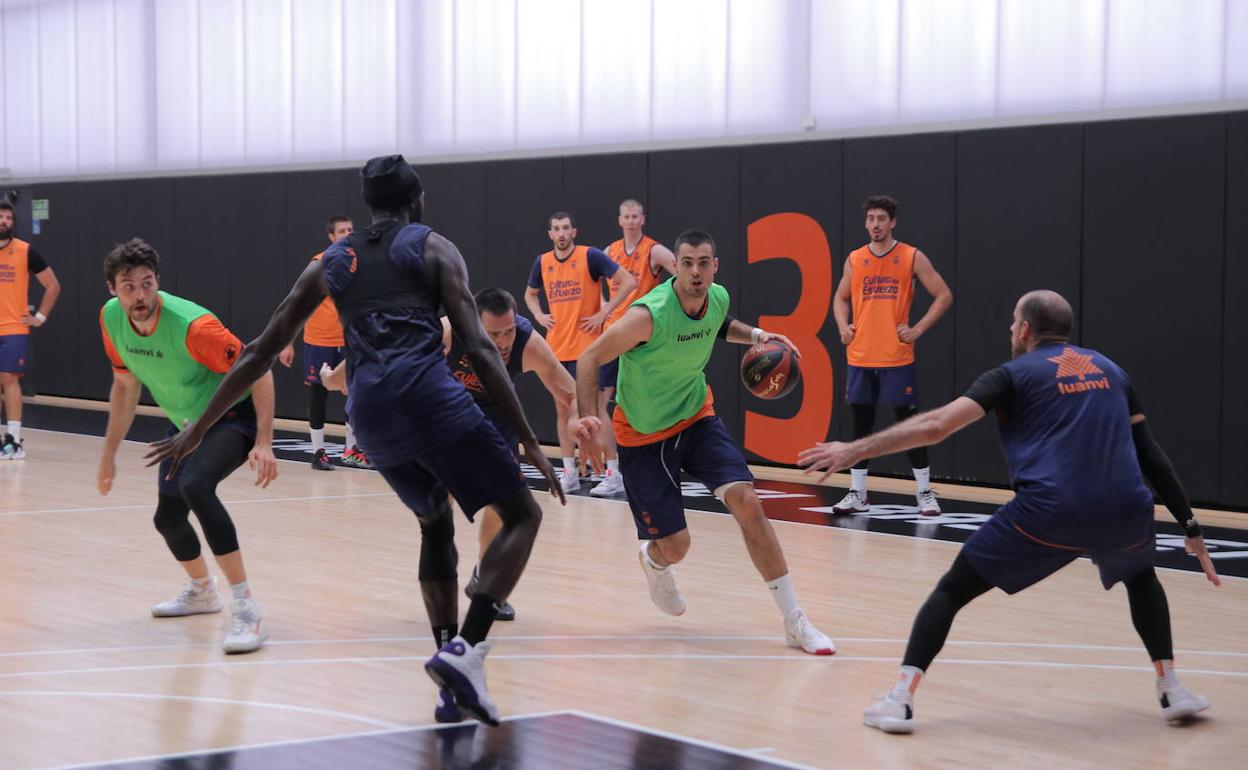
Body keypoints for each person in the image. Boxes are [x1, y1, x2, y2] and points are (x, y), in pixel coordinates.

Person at [147, 155, 564, 727]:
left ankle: (449, 675)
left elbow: (261, 349)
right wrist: (529, 439)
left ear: (368, 207)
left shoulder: (332, 261)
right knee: (521, 514)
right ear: (416, 200)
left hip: (367, 415)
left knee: (434, 519)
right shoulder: (436, 248)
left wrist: (197, 427)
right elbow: (483, 349)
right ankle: (468, 649)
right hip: (427, 397)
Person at [799, 290, 1220, 734]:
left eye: (1013, 321)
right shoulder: (1111, 371)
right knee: (1141, 577)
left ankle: (899, 700)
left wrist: (854, 449)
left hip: (1050, 511)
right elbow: (1150, 454)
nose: (1009, 328)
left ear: (1024, 330)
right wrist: (1189, 524)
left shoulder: (1012, 375)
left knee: (951, 591)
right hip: (1126, 508)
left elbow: (935, 425)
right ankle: (1172, 688)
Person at [574, 229, 835, 655]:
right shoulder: (648, 315)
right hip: (642, 434)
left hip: (697, 416)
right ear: (674, 266)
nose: (696, 271)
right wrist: (589, 420)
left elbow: (719, 326)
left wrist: (759, 336)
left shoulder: (717, 297)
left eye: (704, 263)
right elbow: (589, 357)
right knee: (677, 547)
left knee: (748, 501)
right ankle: (655, 559)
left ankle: (794, 620)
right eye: (688, 263)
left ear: (715, 266)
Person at [322, 286, 577, 623]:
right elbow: (377, 352)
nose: (503, 342)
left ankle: (485, 576)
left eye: (509, 331)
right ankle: (443, 572)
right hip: (449, 407)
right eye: (494, 334)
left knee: (505, 500)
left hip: (498, 409)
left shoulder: (527, 345)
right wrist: (333, 379)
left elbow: (567, 389)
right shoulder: (444, 332)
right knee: (444, 501)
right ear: (472, 325)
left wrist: (580, 420)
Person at [96, 238, 276, 654]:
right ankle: (201, 591)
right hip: (185, 425)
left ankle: (247, 607)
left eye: (147, 283)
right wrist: (108, 456)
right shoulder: (111, 320)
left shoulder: (193, 326)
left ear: (157, 280)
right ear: (112, 289)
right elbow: (125, 386)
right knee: (168, 519)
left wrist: (265, 441)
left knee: (196, 486)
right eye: (129, 286)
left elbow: (259, 367)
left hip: (234, 415)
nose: (140, 295)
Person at [831, 195, 952, 515]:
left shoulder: (911, 256)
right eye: (870, 218)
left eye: (881, 218)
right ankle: (858, 493)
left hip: (896, 357)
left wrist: (918, 329)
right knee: (861, 428)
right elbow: (839, 299)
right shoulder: (855, 259)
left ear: (892, 222)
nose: (875, 224)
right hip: (860, 356)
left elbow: (943, 295)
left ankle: (925, 492)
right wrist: (843, 326)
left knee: (908, 427)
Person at [525, 212, 637, 495]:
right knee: (563, 411)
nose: (561, 233)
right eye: (556, 229)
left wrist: (604, 312)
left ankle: (613, 473)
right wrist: (539, 315)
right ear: (550, 234)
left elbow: (628, 282)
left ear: (574, 231)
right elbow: (530, 294)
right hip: (556, 349)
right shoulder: (543, 262)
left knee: (596, 411)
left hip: (589, 350)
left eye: (565, 228)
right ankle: (570, 473)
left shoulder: (591, 256)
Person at [595, 198, 677, 497]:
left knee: (647, 404)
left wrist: (664, 308)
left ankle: (656, 467)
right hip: (615, 335)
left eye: (635, 216)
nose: (630, 221)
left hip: (643, 337)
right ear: (620, 220)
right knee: (602, 401)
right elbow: (596, 286)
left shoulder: (654, 250)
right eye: (625, 217)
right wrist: (603, 307)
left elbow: (680, 274)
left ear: (642, 219)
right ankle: (613, 472)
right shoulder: (609, 251)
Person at [278, 215, 369, 470]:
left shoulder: (359, 264)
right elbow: (297, 305)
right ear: (331, 236)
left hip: (349, 339)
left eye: (350, 229)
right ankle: (318, 452)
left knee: (354, 393)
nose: (347, 233)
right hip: (319, 339)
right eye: (342, 231)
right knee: (319, 394)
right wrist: (287, 343)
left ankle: (351, 449)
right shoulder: (319, 263)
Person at [0, 198, 61, 460]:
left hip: (14, 327)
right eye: (1, 217)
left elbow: (53, 285)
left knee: (9, 378)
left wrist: (40, 317)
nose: (5, 222)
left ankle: (13, 442)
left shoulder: (26, 251)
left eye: (9, 218)